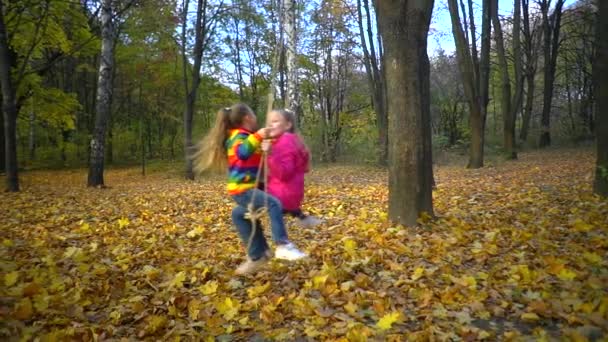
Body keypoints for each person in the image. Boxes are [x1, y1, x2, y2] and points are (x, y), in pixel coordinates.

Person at [194, 104, 306, 275]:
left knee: (238, 215)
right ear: (248, 118)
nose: (256, 118)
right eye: (254, 114)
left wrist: (267, 147)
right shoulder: (238, 136)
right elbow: (242, 153)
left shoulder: (246, 137)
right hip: (243, 190)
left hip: (249, 189)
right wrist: (259, 136)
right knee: (274, 204)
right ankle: (282, 245)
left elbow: (258, 159)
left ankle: (258, 254)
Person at [263, 109, 323, 228]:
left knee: (248, 200)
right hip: (291, 193)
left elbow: (284, 173)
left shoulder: (285, 141)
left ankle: (282, 242)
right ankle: (303, 219)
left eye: (275, 121)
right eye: (269, 122)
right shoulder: (289, 140)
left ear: (288, 125)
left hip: (281, 194)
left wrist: (269, 154)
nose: (270, 125)